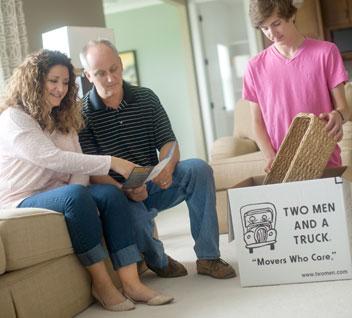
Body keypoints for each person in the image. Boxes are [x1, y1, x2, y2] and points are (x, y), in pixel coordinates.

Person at [0, 49, 174, 311]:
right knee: (77, 196)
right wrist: (112, 162)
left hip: (60, 194)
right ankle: (102, 286)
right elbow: (53, 159)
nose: (60, 88)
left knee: (109, 194)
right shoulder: (15, 118)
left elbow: (78, 164)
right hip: (22, 198)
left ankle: (131, 283)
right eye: (53, 80)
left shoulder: (63, 117)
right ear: (35, 81)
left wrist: (82, 204)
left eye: (66, 82)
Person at [78, 40, 236, 279]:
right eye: (101, 73)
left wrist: (167, 168)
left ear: (121, 65)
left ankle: (208, 257)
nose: (110, 78)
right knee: (135, 218)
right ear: (88, 75)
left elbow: (168, 143)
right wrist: (125, 190)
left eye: (114, 69)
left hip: (153, 182)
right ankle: (158, 261)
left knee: (199, 169)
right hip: (117, 194)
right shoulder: (82, 115)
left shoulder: (145, 97)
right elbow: (93, 170)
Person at [244, 0, 350, 173]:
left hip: (324, 159)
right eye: (264, 28)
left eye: (276, 23)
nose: (272, 33)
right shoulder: (254, 67)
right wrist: (271, 157)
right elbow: (257, 122)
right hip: (284, 166)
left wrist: (338, 115)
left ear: (291, 15)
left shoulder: (326, 52)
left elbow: (344, 109)